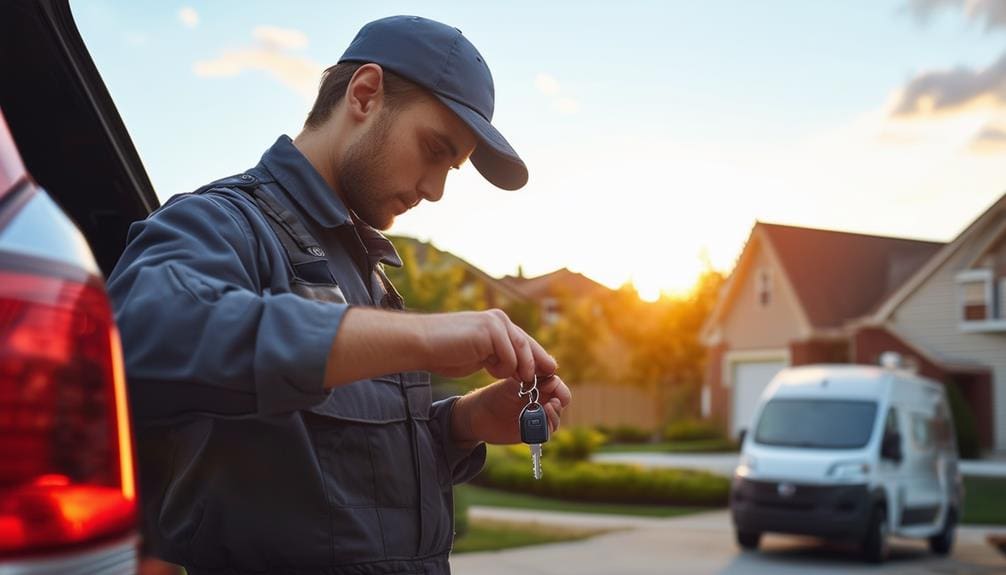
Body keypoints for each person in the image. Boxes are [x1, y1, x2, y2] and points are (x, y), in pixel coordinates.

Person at [108, 15, 572, 575]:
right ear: (365, 93)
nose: (436, 190)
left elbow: (336, 476)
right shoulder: (222, 223)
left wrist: (462, 424)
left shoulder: (367, 274)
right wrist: (426, 336)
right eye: (433, 149)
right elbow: (135, 337)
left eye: (450, 169)